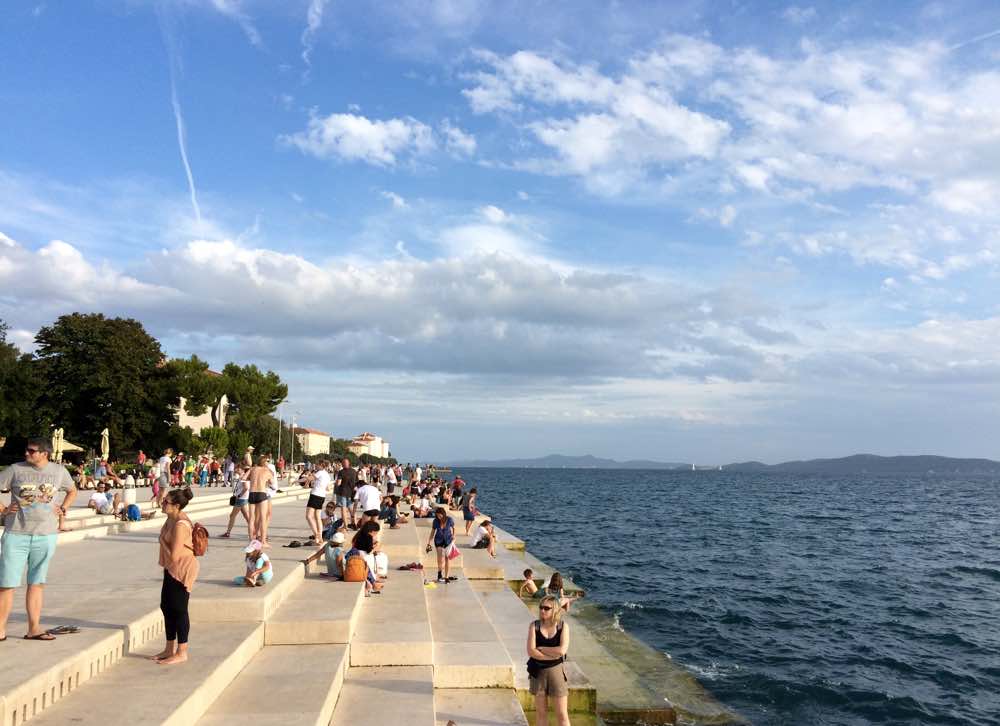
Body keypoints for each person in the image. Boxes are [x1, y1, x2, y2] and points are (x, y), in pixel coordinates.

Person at [0, 438, 77, 641]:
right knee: (7, 583)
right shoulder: (15, 470)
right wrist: (4, 510)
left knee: (37, 583)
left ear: (45, 453)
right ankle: (0, 629)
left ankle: (34, 628)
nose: (27, 453)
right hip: (16, 534)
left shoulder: (59, 471)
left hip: (45, 535)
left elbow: (72, 490)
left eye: (32, 451)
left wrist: (64, 509)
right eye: (26, 450)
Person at [151, 487, 199, 665]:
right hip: (170, 568)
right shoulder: (170, 519)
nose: (162, 503)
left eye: (166, 502)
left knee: (179, 609)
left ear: (176, 505)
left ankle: (182, 651)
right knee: (166, 607)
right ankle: (169, 648)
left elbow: (175, 555)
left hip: (182, 568)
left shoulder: (180, 524)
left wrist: (162, 541)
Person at [526, 595, 571, 726]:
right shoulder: (534, 626)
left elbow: (562, 651)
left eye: (546, 608)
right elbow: (530, 651)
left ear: (555, 610)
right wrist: (552, 656)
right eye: (541, 607)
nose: (542, 610)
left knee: (562, 714)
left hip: (556, 673)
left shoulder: (563, 627)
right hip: (538, 672)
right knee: (541, 714)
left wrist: (541, 648)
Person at [246, 456, 275, 548]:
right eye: (267, 461)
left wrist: (253, 479)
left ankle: (251, 541)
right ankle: (263, 541)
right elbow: (272, 483)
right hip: (262, 493)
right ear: (265, 462)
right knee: (263, 519)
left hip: (252, 493)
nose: (268, 463)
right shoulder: (267, 471)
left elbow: (244, 477)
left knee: (251, 519)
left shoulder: (253, 469)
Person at [302, 459, 331, 543]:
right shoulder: (327, 475)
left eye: (317, 465)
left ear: (321, 465)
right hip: (322, 497)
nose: (316, 466)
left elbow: (308, 478)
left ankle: (316, 535)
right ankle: (320, 537)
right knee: (317, 517)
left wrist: (296, 481)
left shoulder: (320, 472)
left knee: (309, 516)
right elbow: (328, 488)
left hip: (315, 495)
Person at [425, 507, 457, 584]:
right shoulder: (435, 521)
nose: (439, 517)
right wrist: (429, 542)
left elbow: (454, 528)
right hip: (438, 540)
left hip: (448, 540)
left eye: (440, 515)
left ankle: (446, 577)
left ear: (443, 514)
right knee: (440, 558)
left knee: (447, 559)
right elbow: (432, 532)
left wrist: (454, 536)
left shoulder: (449, 519)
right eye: (437, 516)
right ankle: (439, 572)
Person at [220, 468, 250, 539]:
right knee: (247, 517)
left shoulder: (243, 477)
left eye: (238, 468)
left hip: (241, 499)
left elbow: (246, 487)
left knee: (232, 515)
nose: (236, 469)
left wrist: (239, 495)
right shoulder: (242, 476)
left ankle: (228, 533)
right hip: (243, 499)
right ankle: (255, 532)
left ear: (242, 469)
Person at [334, 458, 358, 529]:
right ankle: (354, 524)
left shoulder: (341, 472)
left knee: (343, 509)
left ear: (342, 464)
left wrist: (335, 484)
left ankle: (345, 526)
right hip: (351, 493)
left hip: (343, 492)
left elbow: (338, 483)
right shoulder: (354, 471)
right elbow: (357, 482)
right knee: (351, 509)